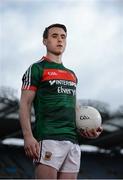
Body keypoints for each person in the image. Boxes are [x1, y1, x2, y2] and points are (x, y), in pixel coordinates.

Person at [19, 23, 103, 179]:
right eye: (54, 36)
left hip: (73, 141)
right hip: (49, 137)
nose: (59, 40)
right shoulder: (37, 68)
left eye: (63, 37)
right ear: (45, 41)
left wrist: (87, 128)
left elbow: (75, 109)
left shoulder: (71, 74)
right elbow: (24, 104)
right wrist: (28, 136)